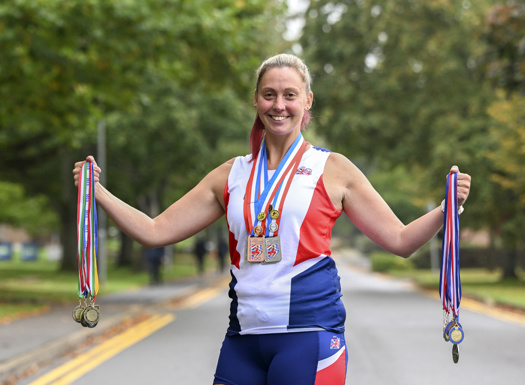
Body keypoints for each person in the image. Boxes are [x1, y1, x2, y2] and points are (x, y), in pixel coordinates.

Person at [73, 53, 471, 385]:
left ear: (307, 101)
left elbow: (400, 241)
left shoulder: (333, 169)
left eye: (289, 95)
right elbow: (155, 231)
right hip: (243, 339)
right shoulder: (230, 174)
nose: (279, 105)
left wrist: (444, 209)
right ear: (256, 101)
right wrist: (98, 193)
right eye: (269, 95)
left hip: (309, 338)